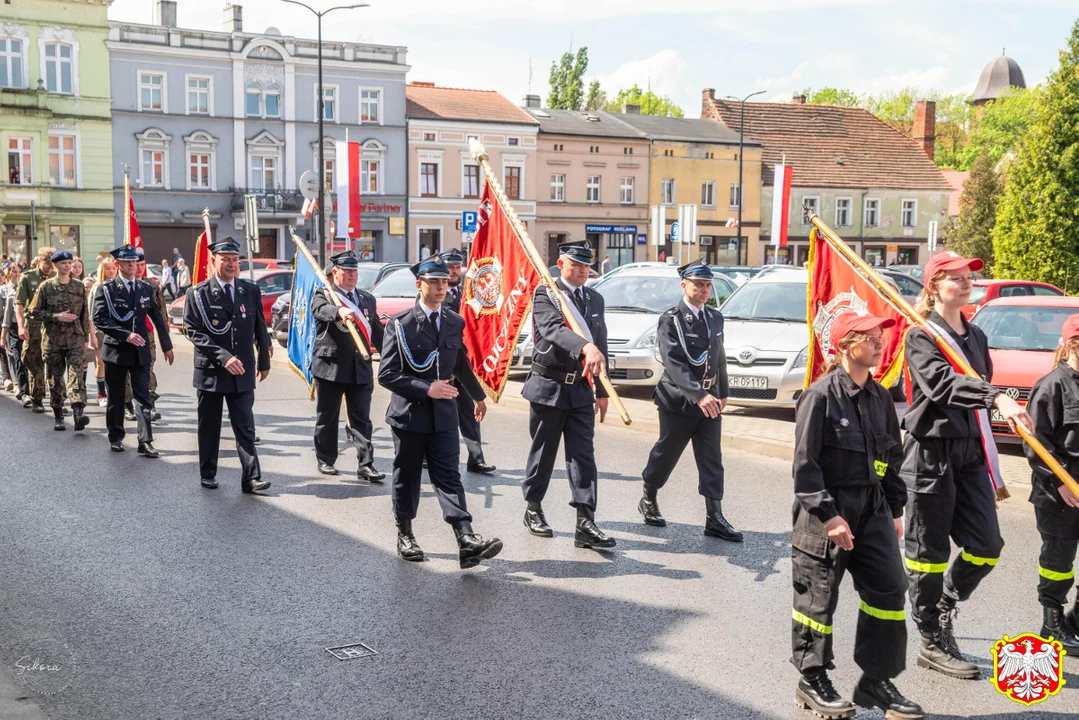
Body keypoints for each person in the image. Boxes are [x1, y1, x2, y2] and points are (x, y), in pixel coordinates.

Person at [901, 250, 1032, 679]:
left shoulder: (975, 336)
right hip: (931, 453)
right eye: (954, 277)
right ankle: (930, 638)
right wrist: (995, 397)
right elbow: (941, 386)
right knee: (928, 554)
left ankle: (945, 603)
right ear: (933, 286)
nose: (965, 281)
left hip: (971, 453)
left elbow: (978, 384)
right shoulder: (921, 335)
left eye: (968, 275)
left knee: (987, 545)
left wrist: (998, 403)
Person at [791, 310, 923, 720]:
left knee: (888, 589)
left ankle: (875, 680)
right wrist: (829, 516)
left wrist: (895, 507)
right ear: (846, 346)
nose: (880, 343)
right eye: (869, 337)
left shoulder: (882, 397)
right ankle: (812, 680)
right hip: (826, 515)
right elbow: (805, 466)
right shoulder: (820, 396)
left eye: (880, 337)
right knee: (818, 600)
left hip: (873, 510)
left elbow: (891, 456)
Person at [378, 253, 501, 568]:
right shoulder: (400, 325)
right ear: (419, 284)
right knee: (407, 476)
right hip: (409, 416)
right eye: (434, 282)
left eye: (444, 282)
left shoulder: (452, 320)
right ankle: (405, 533)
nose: (440, 288)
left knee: (449, 476)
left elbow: (458, 361)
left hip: (444, 415)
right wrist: (426, 388)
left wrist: (477, 395)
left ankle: (466, 538)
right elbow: (387, 375)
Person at [638, 259, 741, 540]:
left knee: (711, 458)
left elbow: (718, 357)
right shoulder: (670, 319)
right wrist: (699, 395)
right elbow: (674, 363)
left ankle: (714, 516)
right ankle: (649, 496)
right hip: (679, 400)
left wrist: (722, 392)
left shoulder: (715, 317)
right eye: (699, 284)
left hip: (710, 399)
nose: (705, 290)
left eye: (708, 285)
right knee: (667, 452)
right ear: (684, 285)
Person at [521, 242, 614, 549]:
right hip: (549, 386)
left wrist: (602, 391)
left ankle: (585, 521)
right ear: (561, 264)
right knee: (543, 453)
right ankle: (533, 507)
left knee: (583, 456)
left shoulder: (595, 298)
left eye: (587, 266)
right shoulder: (546, 293)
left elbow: (600, 342)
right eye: (576, 265)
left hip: (581, 390)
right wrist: (584, 347)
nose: (582, 271)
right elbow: (552, 330)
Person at [183, 238, 271, 493]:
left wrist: (263, 360)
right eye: (226, 260)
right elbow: (193, 331)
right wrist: (223, 357)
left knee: (245, 425)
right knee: (209, 426)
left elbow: (259, 327)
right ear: (213, 262)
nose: (232, 264)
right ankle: (208, 473)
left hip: (241, 372)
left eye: (235, 259)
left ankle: (251, 478)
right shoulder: (197, 294)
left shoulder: (249, 289)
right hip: (211, 372)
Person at [1023, 315, 1079, 652]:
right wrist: (1060, 481)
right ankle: (1052, 624)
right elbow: (1035, 441)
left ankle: (1075, 621)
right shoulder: (1052, 385)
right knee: (1058, 562)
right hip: (1059, 493)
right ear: (1073, 344)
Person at [311, 250, 386, 481]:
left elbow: (377, 334)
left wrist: (392, 355)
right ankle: (325, 459)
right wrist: (339, 310)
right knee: (328, 417)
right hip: (331, 368)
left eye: (355, 270)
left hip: (360, 368)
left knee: (362, 419)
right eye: (347, 270)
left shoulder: (366, 299)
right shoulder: (323, 294)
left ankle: (366, 464)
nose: (352, 275)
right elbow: (320, 311)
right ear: (336, 272)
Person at [93, 244, 174, 455]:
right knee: (117, 396)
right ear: (118, 264)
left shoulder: (145, 288)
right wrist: (125, 334)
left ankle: (145, 440)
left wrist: (167, 346)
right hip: (116, 352)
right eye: (127, 261)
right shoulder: (107, 289)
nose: (132, 265)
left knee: (143, 396)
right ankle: (116, 437)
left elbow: (158, 318)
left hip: (140, 352)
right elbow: (99, 319)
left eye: (135, 261)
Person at [441, 248, 496, 474]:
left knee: (469, 411)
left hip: (465, 362)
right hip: (444, 364)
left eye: (456, 267)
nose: (454, 272)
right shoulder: (436, 292)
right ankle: (431, 455)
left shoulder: (469, 293)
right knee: (441, 413)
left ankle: (476, 458)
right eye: (450, 268)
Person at [28, 250, 93, 431]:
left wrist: (86, 338)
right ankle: (58, 415)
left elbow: (84, 314)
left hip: (75, 339)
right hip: (53, 340)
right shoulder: (45, 287)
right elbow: (32, 312)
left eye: (70, 263)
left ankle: (78, 413)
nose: (68, 266)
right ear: (55, 265)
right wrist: (56, 316)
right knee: (55, 379)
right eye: (63, 263)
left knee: (76, 375)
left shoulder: (79, 287)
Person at [124, 248, 165, 422]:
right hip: (127, 335)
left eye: (142, 264)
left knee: (148, 368)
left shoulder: (152, 285)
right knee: (126, 372)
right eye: (136, 264)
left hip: (147, 335)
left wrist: (165, 339)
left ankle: (150, 404)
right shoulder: (121, 285)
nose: (139, 268)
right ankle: (128, 405)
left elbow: (161, 313)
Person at [14, 247, 56, 412]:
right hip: (33, 324)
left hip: (52, 325)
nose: (49, 267)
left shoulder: (56, 277)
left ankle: (57, 401)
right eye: (46, 263)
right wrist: (21, 326)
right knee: (35, 363)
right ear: (40, 260)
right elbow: (19, 304)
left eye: (52, 264)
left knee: (54, 364)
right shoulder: (28, 277)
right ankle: (37, 400)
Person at [90, 256, 119, 407]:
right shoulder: (97, 288)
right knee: (100, 362)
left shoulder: (119, 286)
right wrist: (92, 334)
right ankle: (101, 393)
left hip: (115, 330)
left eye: (114, 268)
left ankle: (114, 392)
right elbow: (90, 313)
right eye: (108, 268)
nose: (111, 271)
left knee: (115, 364)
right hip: (100, 331)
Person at [1, 263, 28, 400]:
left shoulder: (25, 288)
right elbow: (2, 312)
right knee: (11, 354)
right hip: (8, 324)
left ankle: (25, 383)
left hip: (24, 325)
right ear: (8, 273)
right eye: (13, 271)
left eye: (19, 271)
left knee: (24, 356)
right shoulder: (4, 290)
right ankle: (16, 383)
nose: (16, 274)